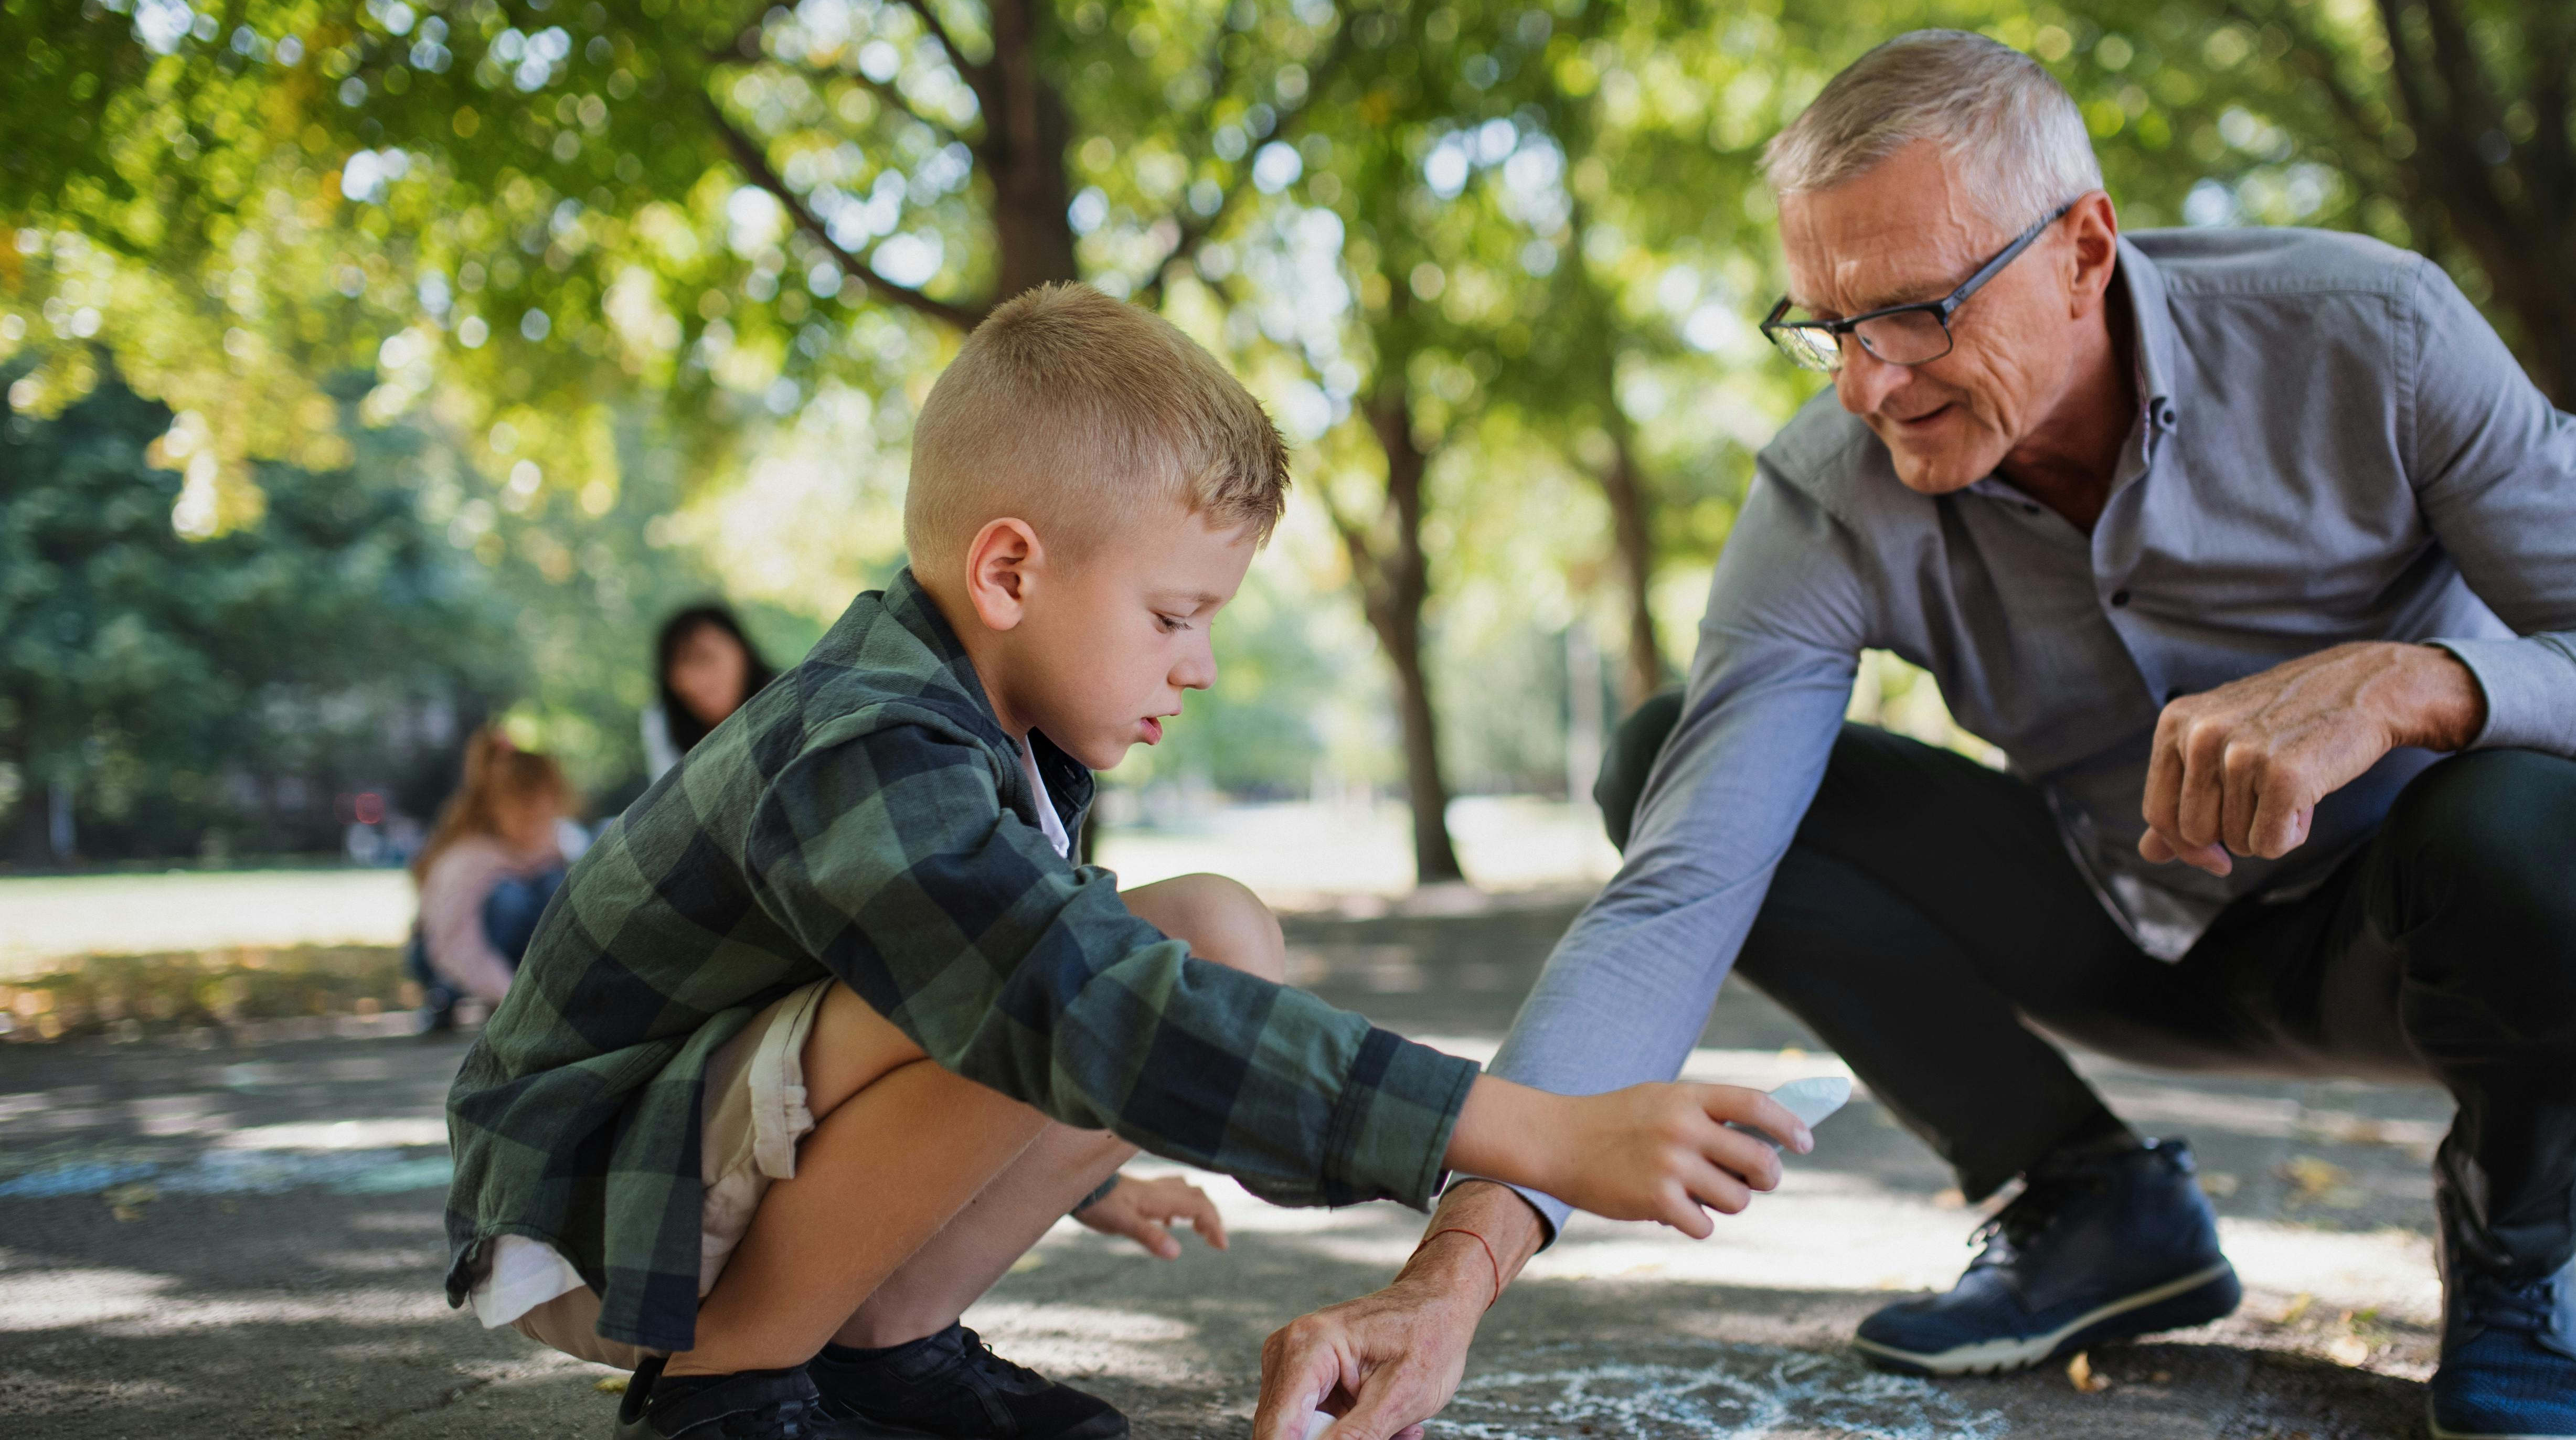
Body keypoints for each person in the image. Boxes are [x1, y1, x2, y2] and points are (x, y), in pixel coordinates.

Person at [1253, 31, 2576, 1440]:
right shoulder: (1829, 487)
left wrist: (2411, 683)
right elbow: (1684, 883)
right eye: (1828, 325)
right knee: (1656, 752)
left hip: (2417, 928)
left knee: (2555, 821)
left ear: (2082, 248)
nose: (1872, 382)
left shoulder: (2373, 339)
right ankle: (2087, 1204)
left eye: (1920, 313)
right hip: (2117, 920)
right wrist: (1451, 1272)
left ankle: (2515, 1234)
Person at [441, 283, 1813, 1440]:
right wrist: (1538, 1130)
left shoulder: (1001, 733)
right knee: (1097, 977)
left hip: (695, 1157)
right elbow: (1064, 1000)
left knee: (1210, 925)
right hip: (599, 1204)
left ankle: (879, 1353)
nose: (1201, 663)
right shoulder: (867, 745)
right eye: (1172, 614)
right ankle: (729, 1386)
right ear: (1009, 574)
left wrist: (1089, 1175)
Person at [406, 728, 582, 1031]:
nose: (538, 827)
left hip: (501, 958)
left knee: (558, 886)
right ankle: (446, 998)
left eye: (546, 816)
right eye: (526, 817)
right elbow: (453, 943)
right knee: (510, 899)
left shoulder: (552, 846)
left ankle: (514, 987)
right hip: (445, 955)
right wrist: (513, 999)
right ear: (494, 808)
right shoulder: (468, 856)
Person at [643, 604, 779, 783]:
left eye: (706, 658)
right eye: (680, 667)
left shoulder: (787, 699)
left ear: (742, 653)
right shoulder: (663, 720)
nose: (694, 681)